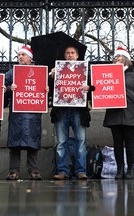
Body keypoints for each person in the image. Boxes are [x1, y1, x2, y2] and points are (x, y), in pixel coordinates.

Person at [50, 45, 93, 180]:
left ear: (77, 56)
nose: (70, 55)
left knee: (81, 142)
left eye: (72, 53)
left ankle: (81, 171)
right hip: (61, 111)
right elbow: (48, 89)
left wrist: (89, 87)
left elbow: (95, 89)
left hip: (79, 111)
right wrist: (51, 77)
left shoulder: (85, 71)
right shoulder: (57, 70)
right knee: (61, 142)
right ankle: (62, 171)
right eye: (67, 53)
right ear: (64, 56)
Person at [4, 46, 47, 181]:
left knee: (32, 142)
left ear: (30, 58)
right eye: (19, 55)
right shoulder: (11, 73)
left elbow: (47, 90)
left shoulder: (39, 72)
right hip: (17, 114)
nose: (20, 57)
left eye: (23, 55)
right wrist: (11, 88)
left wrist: (46, 89)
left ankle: (34, 170)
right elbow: (1, 88)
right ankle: (13, 171)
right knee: (15, 142)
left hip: (33, 113)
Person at [103, 46, 134, 179]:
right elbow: (102, 90)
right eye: (115, 59)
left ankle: (130, 169)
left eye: (120, 59)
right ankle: (120, 169)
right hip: (114, 113)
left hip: (130, 113)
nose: (117, 60)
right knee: (117, 142)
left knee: (130, 142)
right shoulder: (109, 75)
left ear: (127, 60)